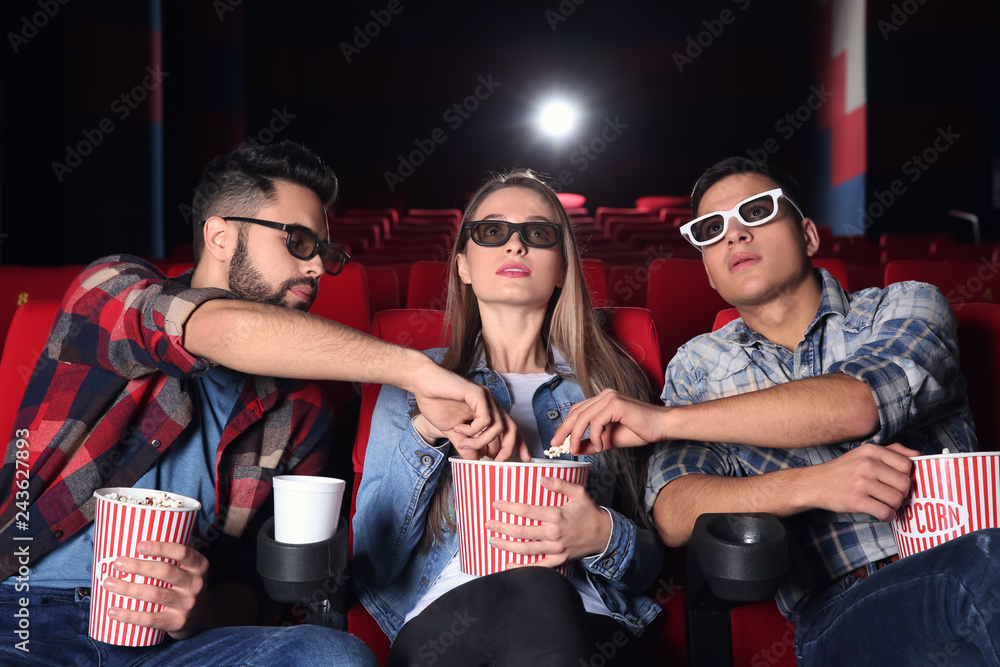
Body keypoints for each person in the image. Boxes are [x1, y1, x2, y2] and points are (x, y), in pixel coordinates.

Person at [0, 140, 509, 666]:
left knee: (332, 656)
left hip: (176, 647)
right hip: (26, 614)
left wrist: (198, 613)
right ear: (220, 236)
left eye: (325, 254)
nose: (316, 269)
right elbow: (215, 327)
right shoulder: (109, 291)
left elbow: (253, 581)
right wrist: (416, 370)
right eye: (298, 241)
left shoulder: (304, 410)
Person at [552, 157, 1000, 665]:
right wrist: (816, 484)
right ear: (707, 269)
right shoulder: (698, 366)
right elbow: (674, 511)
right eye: (710, 229)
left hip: (964, 557)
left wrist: (664, 421)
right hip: (844, 613)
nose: (734, 236)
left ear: (807, 235)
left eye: (757, 211)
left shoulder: (907, 305)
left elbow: (859, 403)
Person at [352, 169, 664, 666]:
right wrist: (429, 434)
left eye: (538, 234)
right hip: (447, 624)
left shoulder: (612, 386)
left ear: (562, 267)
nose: (515, 246)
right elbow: (374, 559)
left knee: (544, 595)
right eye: (492, 232)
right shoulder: (417, 381)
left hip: (593, 623)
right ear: (463, 266)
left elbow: (654, 559)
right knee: (535, 591)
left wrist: (603, 534)